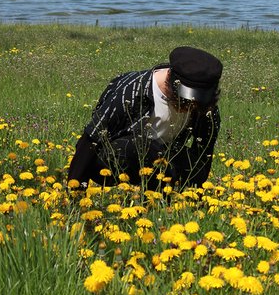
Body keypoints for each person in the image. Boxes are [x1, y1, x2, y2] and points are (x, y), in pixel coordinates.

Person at [68, 46, 222, 190]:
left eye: (196, 102)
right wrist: (75, 191)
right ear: (170, 78)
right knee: (145, 147)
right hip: (110, 161)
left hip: (164, 159)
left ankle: (161, 202)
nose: (190, 107)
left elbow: (203, 155)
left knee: (187, 161)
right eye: (186, 101)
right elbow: (90, 140)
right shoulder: (131, 91)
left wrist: (195, 193)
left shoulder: (205, 106)